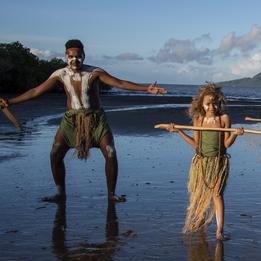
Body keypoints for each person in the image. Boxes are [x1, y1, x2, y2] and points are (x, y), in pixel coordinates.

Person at [0, 39, 166, 202]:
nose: (74, 60)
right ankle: (60, 193)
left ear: (84, 56)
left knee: (110, 152)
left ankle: (111, 194)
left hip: (95, 119)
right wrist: (11, 102)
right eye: (71, 56)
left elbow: (119, 82)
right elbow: (36, 91)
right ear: (66, 56)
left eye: (78, 56)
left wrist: (146, 88)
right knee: (55, 153)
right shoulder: (60, 74)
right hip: (71, 120)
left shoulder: (95, 72)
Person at [166, 83, 243, 240]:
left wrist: (235, 134)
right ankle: (200, 222)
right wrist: (179, 131)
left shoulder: (224, 119)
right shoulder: (198, 120)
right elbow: (196, 144)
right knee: (199, 194)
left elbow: (226, 144)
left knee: (217, 195)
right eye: (208, 103)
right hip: (201, 163)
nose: (211, 106)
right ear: (201, 104)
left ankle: (219, 230)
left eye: (214, 102)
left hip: (218, 162)